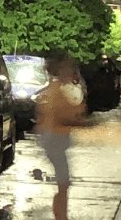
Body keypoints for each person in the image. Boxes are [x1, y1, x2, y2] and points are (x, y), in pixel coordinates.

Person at [36, 53, 87, 220]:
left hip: (52, 139)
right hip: (54, 139)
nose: (71, 73)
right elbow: (66, 115)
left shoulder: (53, 90)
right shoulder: (57, 91)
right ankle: (61, 216)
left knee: (63, 182)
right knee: (63, 182)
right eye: (69, 70)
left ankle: (61, 215)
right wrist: (78, 117)